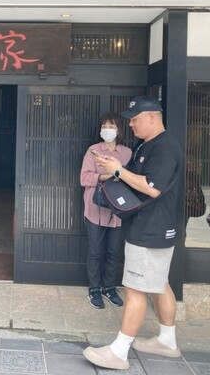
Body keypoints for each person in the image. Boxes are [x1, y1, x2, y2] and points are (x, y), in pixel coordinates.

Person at [83, 96, 183, 370]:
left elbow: (152, 187)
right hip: (152, 225)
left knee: (135, 289)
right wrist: (115, 170)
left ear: (152, 117)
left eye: (135, 119)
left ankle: (119, 351)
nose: (130, 124)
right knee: (160, 284)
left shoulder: (164, 147)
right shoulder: (147, 144)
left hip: (150, 228)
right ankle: (167, 341)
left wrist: (117, 170)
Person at [80, 113, 132, 309]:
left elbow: (132, 179)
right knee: (95, 251)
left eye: (111, 126)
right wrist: (105, 176)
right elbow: (84, 178)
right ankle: (94, 289)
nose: (107, 130)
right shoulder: (93, 151)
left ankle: (109, 288)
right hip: (95, 208)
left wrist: (120, 175)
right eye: (104, 126)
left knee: (113, 251)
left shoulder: (127, 153)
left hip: (117, 210)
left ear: (118, 130)